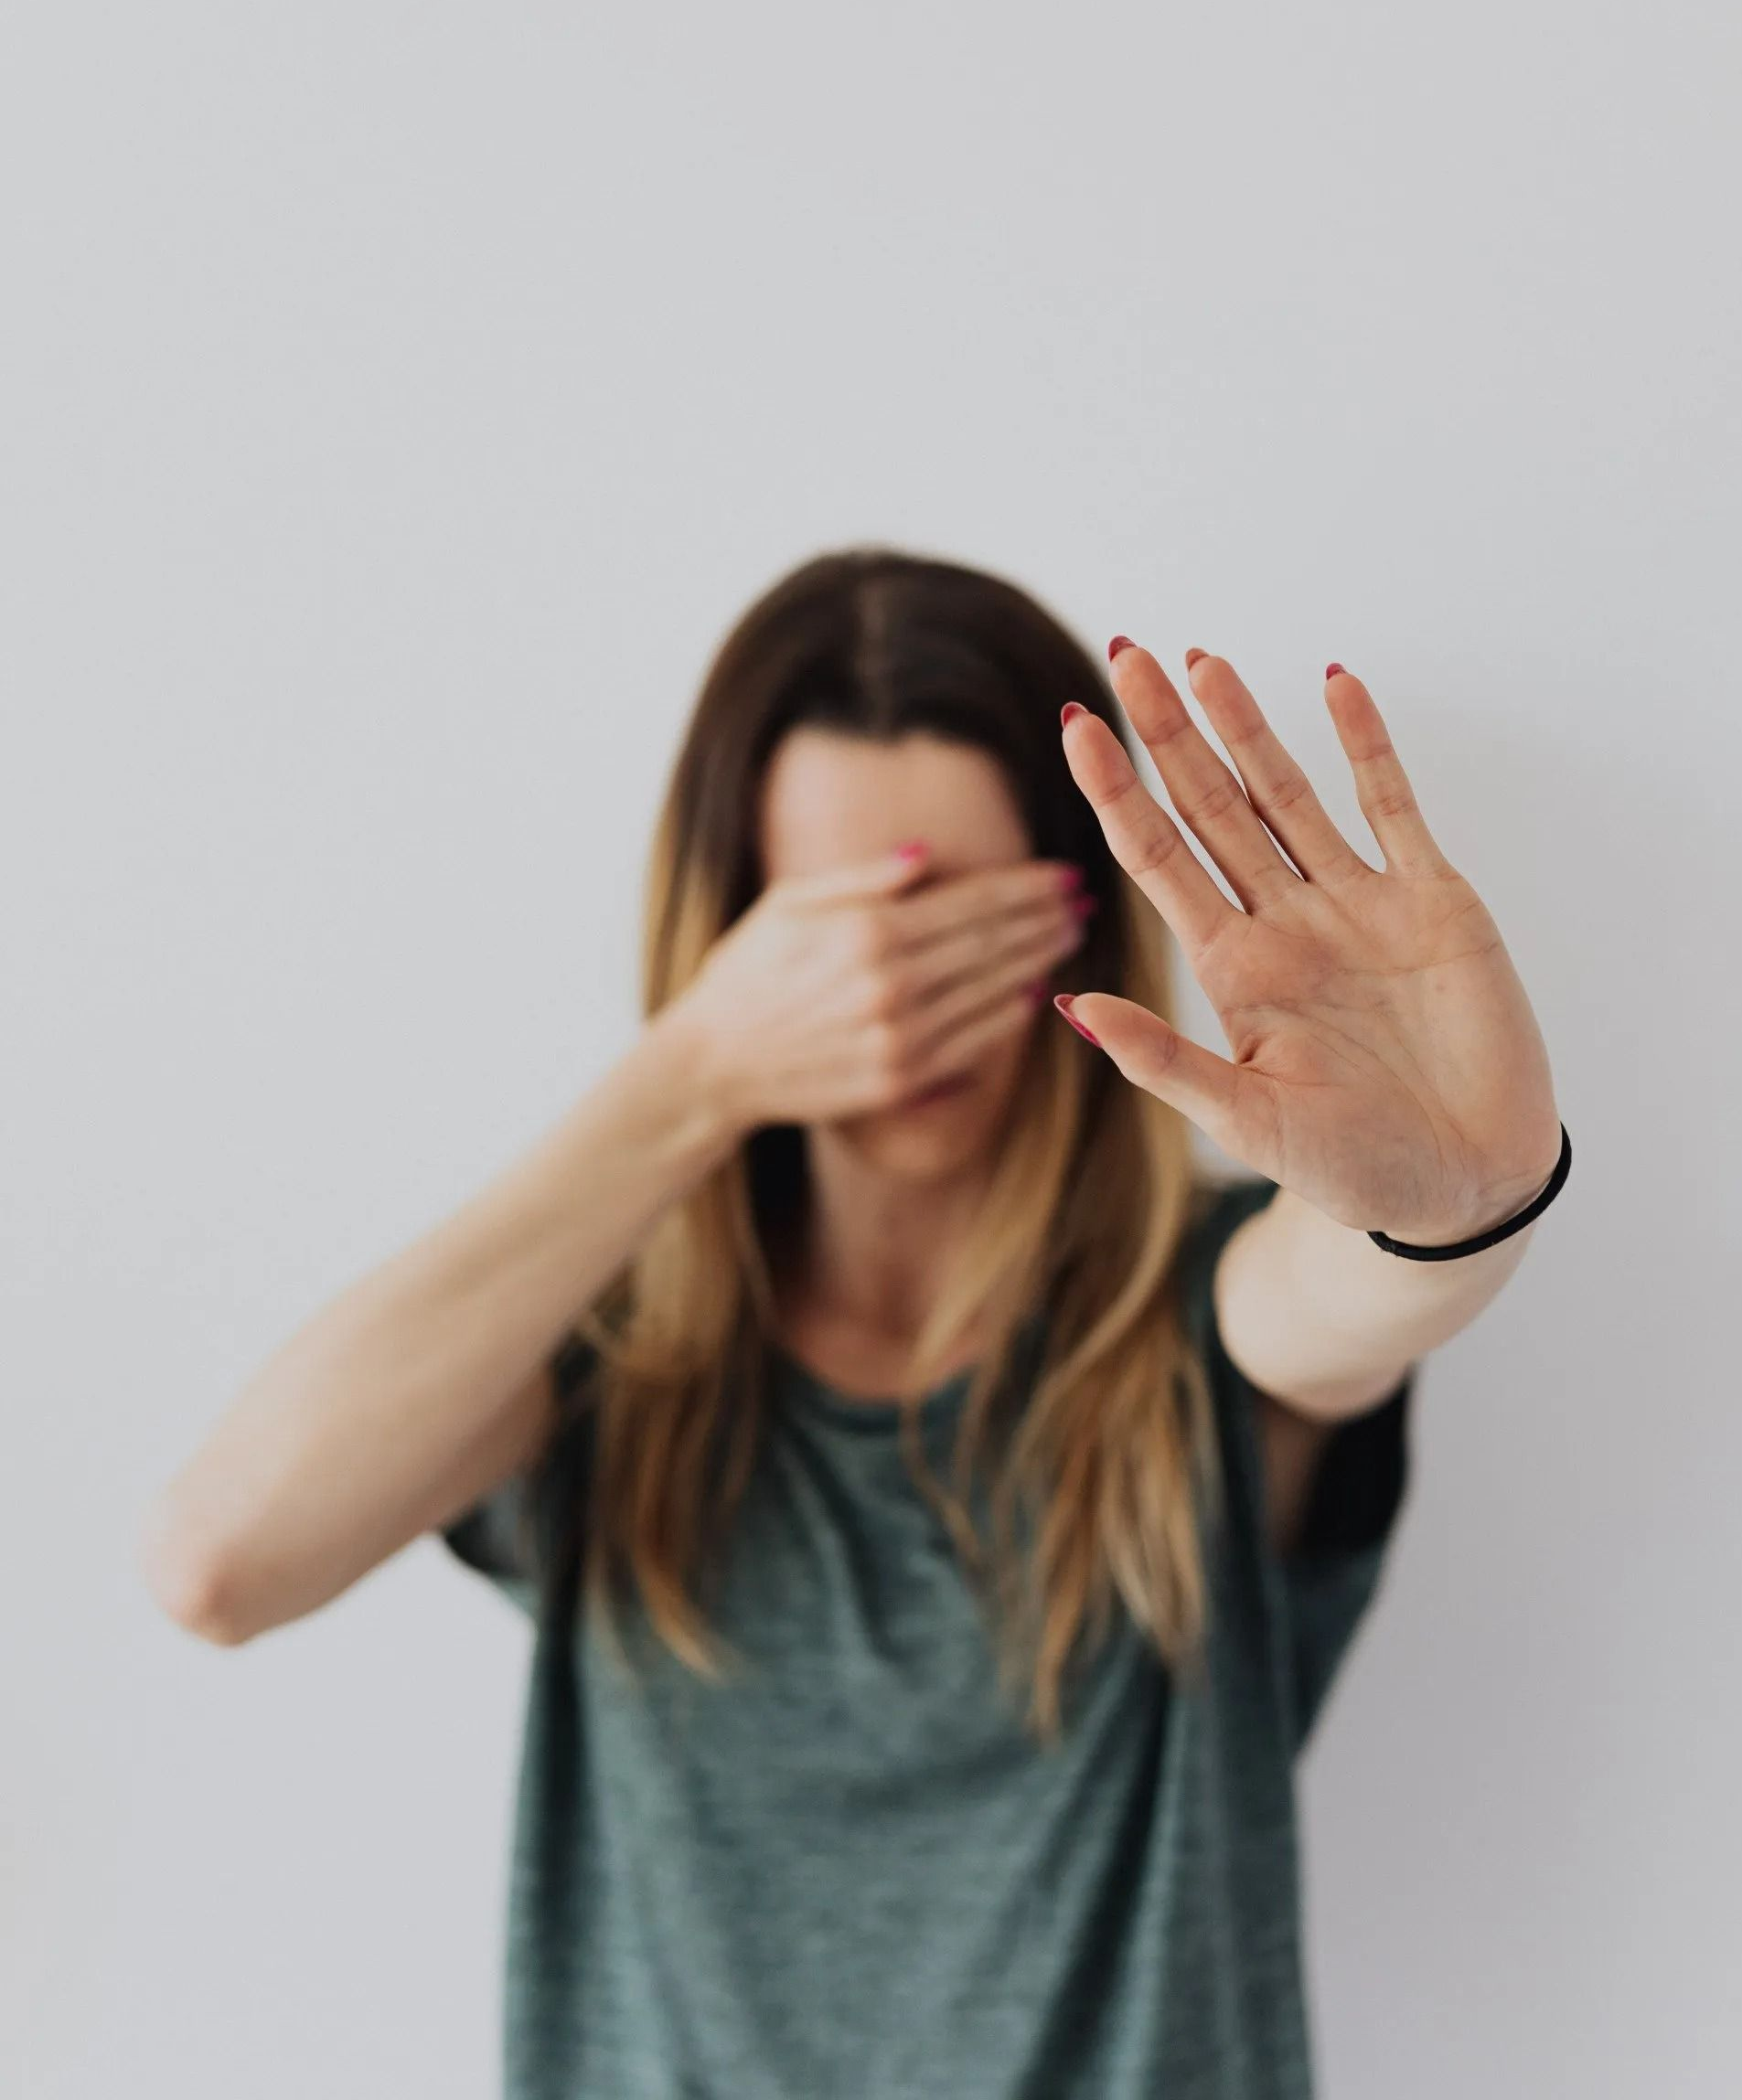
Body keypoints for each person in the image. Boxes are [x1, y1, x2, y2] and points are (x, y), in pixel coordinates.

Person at [138, 547, 1566, 2099]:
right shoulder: (593, 1354)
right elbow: (220, 1563)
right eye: (840, 924)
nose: (900, 992)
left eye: (971, 915)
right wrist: (694, 1076)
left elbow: (1350, 1295)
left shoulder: (1190, 1312)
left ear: (1074, 922)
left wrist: (1459, 1200)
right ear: (731, 936)